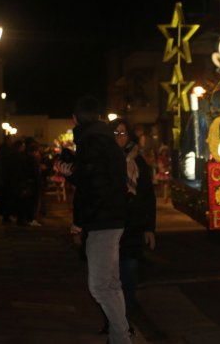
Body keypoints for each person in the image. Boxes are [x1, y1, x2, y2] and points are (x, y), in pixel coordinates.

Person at [56, 95, 132, 344]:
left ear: (75, 118)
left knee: (100, 286)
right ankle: (119, 336)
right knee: (110, 284)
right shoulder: (104, 140)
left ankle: (122, 337)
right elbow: (97, 179)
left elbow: (94, 187)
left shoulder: (92, 142)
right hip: (113, 219)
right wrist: (75, 174)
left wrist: (79, 222)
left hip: (102, 221)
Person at [99, 118, 156, 334]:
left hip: (132, 229)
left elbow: (148, 198)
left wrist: (149, 228)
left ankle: (123, 320)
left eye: (123, 133)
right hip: (109, 228)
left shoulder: (139, 163)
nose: (120, 138)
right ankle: (112, 321)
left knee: (129, 278)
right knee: (108, 280)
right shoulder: (104, 160)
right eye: (115, 133)